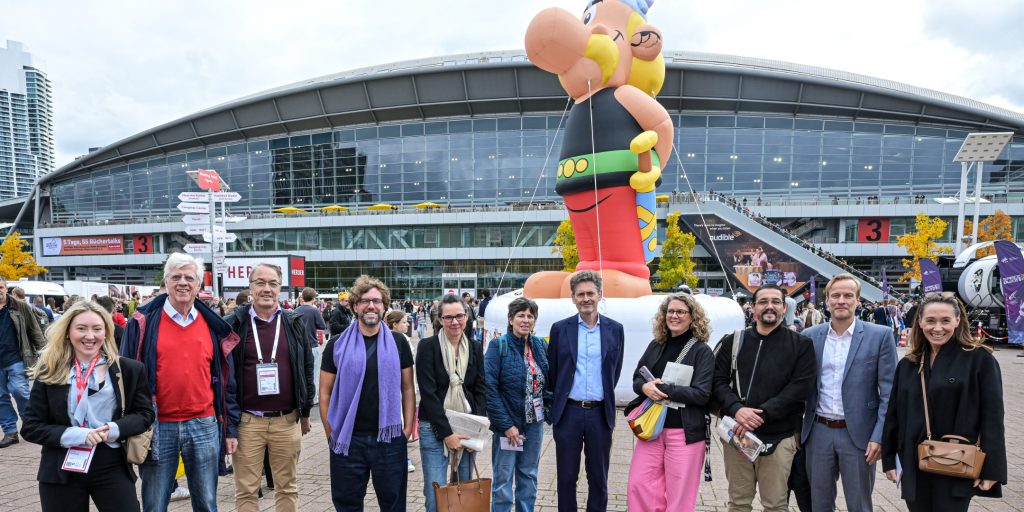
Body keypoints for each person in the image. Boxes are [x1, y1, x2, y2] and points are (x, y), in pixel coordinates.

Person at [119, 253, 240, 512]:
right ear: (166, 283)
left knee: (207, 504)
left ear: (198, 285)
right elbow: (125, 377)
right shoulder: (142, 322)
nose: (183, 282)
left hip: (204, 425)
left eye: (189, 278)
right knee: (154, 504)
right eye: (176, 277)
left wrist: (230, 428)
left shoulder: (213, 325)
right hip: (158, 426)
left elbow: (227, 383)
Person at [20, 301, 154, 512]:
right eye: (81, 328)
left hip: (111, 462)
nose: (90, 336)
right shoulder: (50, 372)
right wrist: (78, 435)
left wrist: (113, 429)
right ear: (68, 332)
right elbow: (31, 427)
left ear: (106, 332)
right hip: (61, 465)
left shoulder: (129, 369)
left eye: (97, 329)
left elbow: (144, 414)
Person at [882, 294, 1007, 511]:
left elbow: (993, 418)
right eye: (931, 320)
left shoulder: (979, 360)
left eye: (945, 321)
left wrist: (992, 469)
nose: (937, 328)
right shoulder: (909, 364)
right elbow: (894, 414)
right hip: (914, 461)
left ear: (957, 321)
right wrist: (889, 458)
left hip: (957, 461)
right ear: (920, 322)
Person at [712, 284, 816, 512]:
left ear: (784, 307)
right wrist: (737, 409)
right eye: (763, 301)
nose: (770, 306)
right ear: (753, 306)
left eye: (776, 302)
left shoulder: (801, 344)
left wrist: (764, 414)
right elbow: (718, 381)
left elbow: (800, 387)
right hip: (738, 434)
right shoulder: (733, 341)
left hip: (779, 437)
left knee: (775, 504)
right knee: (738, 503)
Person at [801, 274, 897, 512]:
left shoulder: (880, 335)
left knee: (859, 504)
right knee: (819, 504)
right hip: (818, 432)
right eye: (835, 295)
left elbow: (889, 393)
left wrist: (879, 436)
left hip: (860, 435)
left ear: (857, 301)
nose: (841, 300)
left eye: (848, 295)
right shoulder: (810, 336)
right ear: (827, 300)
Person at [319, 276, 415, 512]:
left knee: (393, 506)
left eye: (377, 301)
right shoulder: (336, 344)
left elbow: (408, 388)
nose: (371, 306)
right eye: (364, 301)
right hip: (348, 439)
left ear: (384, 306)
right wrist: (331, 433)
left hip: (389, 439)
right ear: (355, 306)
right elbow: (325, 392)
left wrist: (406, 430)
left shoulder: (399, 342)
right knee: (347, 505)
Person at [223, 264, 314, 512]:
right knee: (246, 491)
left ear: (280, 288)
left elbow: (307, 369)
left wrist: (305, 412)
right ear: (251, 287)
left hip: (286, 421)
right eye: (260, 283)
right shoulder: (233, 324)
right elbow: (224, 375)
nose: (266, 289)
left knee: (287, 488)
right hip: (247, 422)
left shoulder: (294, 322)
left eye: (273, 284)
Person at [627, 293, 715, 511]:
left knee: (679, 495)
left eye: (681, 312)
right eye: (670, 311)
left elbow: (702, 394)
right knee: (639, 485)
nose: (674, 316)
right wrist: (645, 387)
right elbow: (638, 377)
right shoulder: (657, 344)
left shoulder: (702, 351)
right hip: (652, 429)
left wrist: (662, 389)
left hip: (685, 432)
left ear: (692, 317)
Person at [547, 270, 625, 512]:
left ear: (600, 294)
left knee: (599, 478)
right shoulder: (560, 329)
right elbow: (554, 371)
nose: (586, 298)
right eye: (580, 294)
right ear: (573, 298)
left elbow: (614, 370)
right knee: (566, 477)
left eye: (590, 293)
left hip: (600, 414)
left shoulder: (615, 329)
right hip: (568, 413)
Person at [415, 294, 487, 511]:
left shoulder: (475, 347)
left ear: (467, 317)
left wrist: (477, 431)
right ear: (440, 319)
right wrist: (447, 434)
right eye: (448, 317)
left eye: (459, 316)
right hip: (434, 426)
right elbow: (428, 394)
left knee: (463, 492)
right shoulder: (427, 347)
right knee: (435, 493)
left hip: (466, 427)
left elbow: (480, 389)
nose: (455, 322)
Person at [484, 297, 549, 511]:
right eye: (521, 315)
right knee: (503, 479)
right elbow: (490, 389)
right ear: (511, 319)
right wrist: (506, 425)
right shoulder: (498, 345)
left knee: (528, 475)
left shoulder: (540, 345)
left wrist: (548, 408)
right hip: (508, 425)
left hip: (534, 423)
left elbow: (550, 380)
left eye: (530, 316)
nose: (526, 320)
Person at [0, 278, 47, 448]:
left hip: (17, 357)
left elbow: (35, 331)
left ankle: (31, 425)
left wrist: (46, 355)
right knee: (0, 397)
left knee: (19, 390)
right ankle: (10, 432)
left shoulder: (20, 306)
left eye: (0, 287)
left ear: (6, 288)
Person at [384, 309, 417, 474]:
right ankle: (401, 456)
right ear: (394, 324)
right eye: (404, 322)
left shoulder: (404, 339)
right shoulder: (394, 340)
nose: (408, 325)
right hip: (396, 390)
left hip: (405, 385)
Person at [294, 287, 327, 405]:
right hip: (312, 345)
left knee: (300, 372)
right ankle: (313, 398)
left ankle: (301, 396)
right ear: (313, 298)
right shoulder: (314, 311)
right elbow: (322, 326)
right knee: (313, 373)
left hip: (298, 346)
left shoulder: (296, 310)